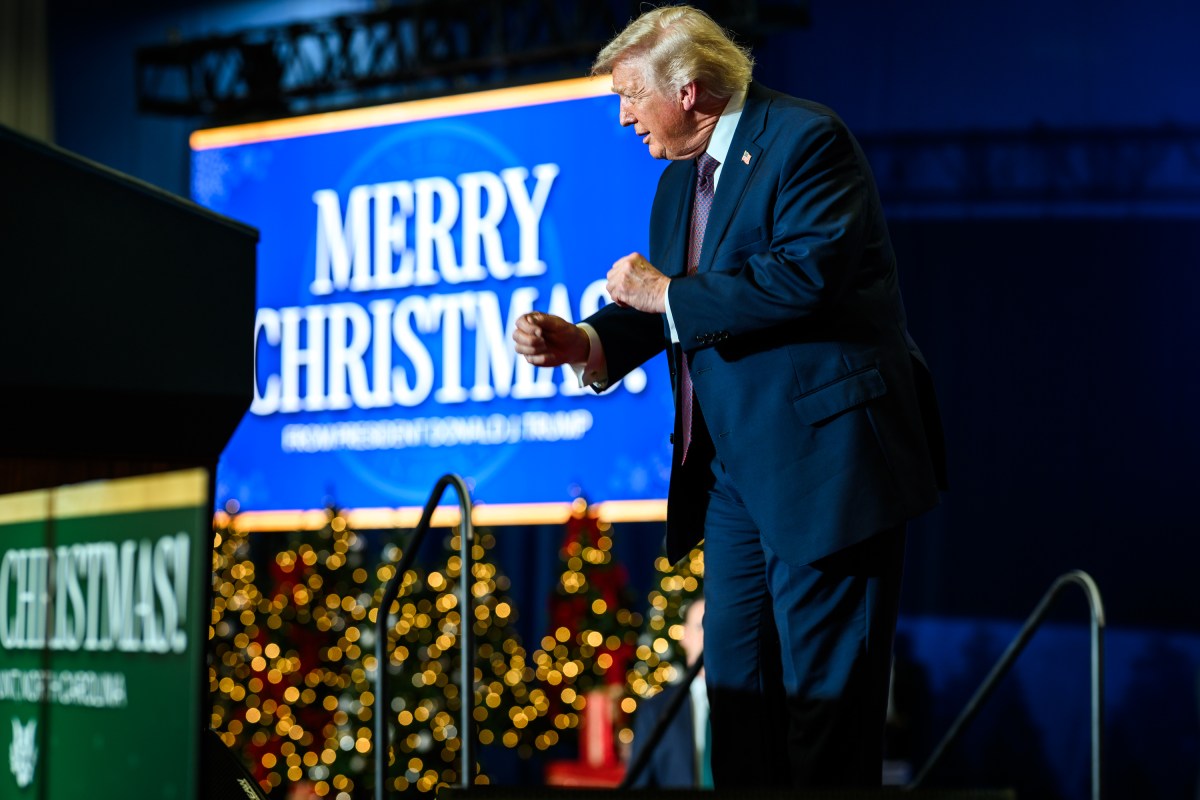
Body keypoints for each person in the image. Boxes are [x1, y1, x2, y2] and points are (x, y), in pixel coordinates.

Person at [513, 4, 946, 789]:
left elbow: (800, 279)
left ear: (688, 89)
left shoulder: (806, 141)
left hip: (826, 467)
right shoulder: (680, 180)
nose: (622, 118)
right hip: (734, 480)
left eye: (630, 96)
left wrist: (661, 290)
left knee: (825, 710)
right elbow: (679, 310)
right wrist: (588, 342)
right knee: (739, 697)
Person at [627, 597, 710, 789]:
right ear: (684, 636)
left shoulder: (752, 704)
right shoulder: (656, 710)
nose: (709, 636)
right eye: (701, 626)